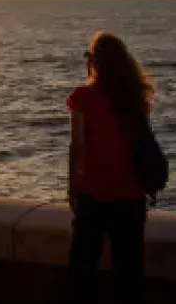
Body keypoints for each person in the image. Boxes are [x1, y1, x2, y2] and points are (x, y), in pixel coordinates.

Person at [67, 32, 155, 304]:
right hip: (130, 195)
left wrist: (71, 186)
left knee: (82, 270)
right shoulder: (135, 98)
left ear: (94, 62)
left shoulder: (83, 97)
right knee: (129, 273)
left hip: (93, 193)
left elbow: (77, 146)